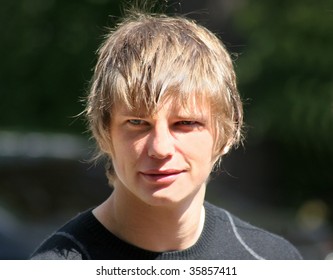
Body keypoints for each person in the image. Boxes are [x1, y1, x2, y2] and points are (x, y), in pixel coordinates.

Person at [30, 5, 302, 260]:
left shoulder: (273, 261)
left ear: (228, 133)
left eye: (185, 124)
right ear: (104, 132)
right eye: (137, 123)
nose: (160, 148)